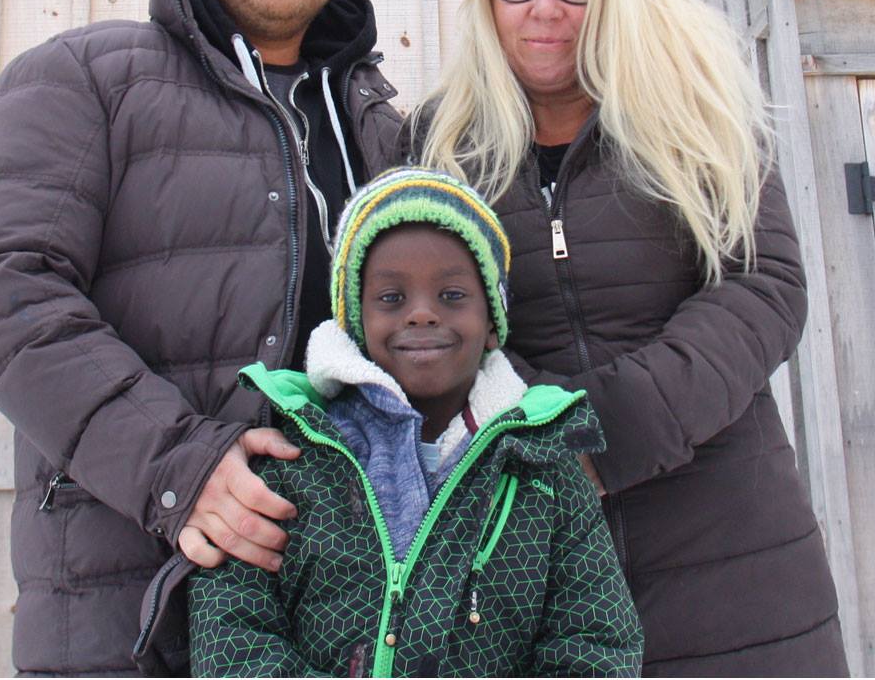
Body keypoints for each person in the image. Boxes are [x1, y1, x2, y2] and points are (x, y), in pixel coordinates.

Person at [0, 0, 404, 675]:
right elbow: (4, 289)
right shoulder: (86, 78)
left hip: (353, 617)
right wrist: (178, 464)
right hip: (136, 603)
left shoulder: (377, 128)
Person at [410, 0, 847, 675]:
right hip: (526, 540)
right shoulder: (437, 147)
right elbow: (418, 325)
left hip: (731, 539)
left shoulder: (694, 115)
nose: (546, 7)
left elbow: (766, 286)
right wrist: (542, 437)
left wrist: (605, 438)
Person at [187, 167, 644, 677]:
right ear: (356, 321)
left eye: (452, 296)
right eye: (391, 298)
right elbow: (230, 627)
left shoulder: (543, 467)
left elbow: (595, 642)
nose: (422, 314)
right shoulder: (296, 452)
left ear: (493, 322)